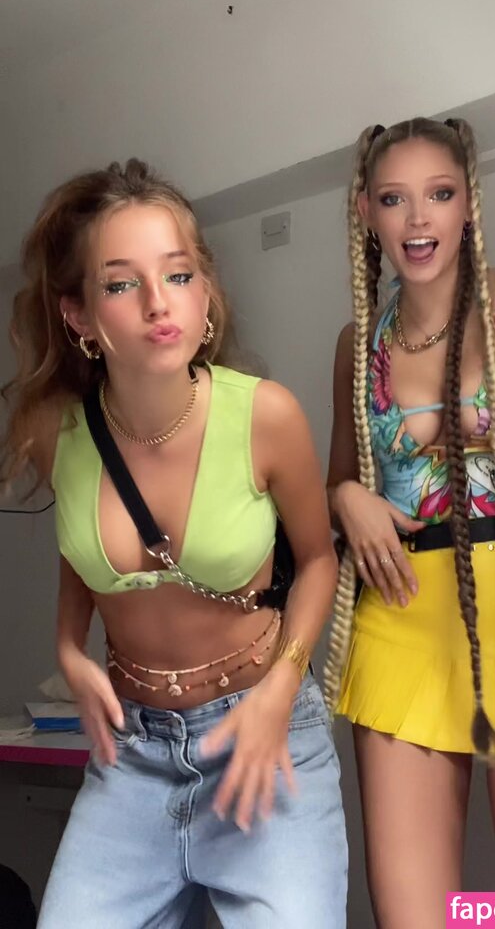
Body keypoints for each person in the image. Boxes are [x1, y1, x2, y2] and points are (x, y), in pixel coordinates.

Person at [2, 159, 347, 929]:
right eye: (122, 283)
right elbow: (82, 554)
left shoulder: (266, 415)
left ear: (206, 292)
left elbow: (319, 561)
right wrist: (67, 650)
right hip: (133, 755)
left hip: (264, 732)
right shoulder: (55, 433)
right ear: (79, 316)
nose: (159, 302)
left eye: (179, 274)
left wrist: (280, 692)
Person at [323, 117, 495, 927]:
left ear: (470, 203)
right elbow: (340, 479)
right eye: (394, 199)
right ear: (366, 212)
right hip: (401, 618)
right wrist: (345, 499)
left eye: (439, 194)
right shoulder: (357, 344)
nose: (418, 219)